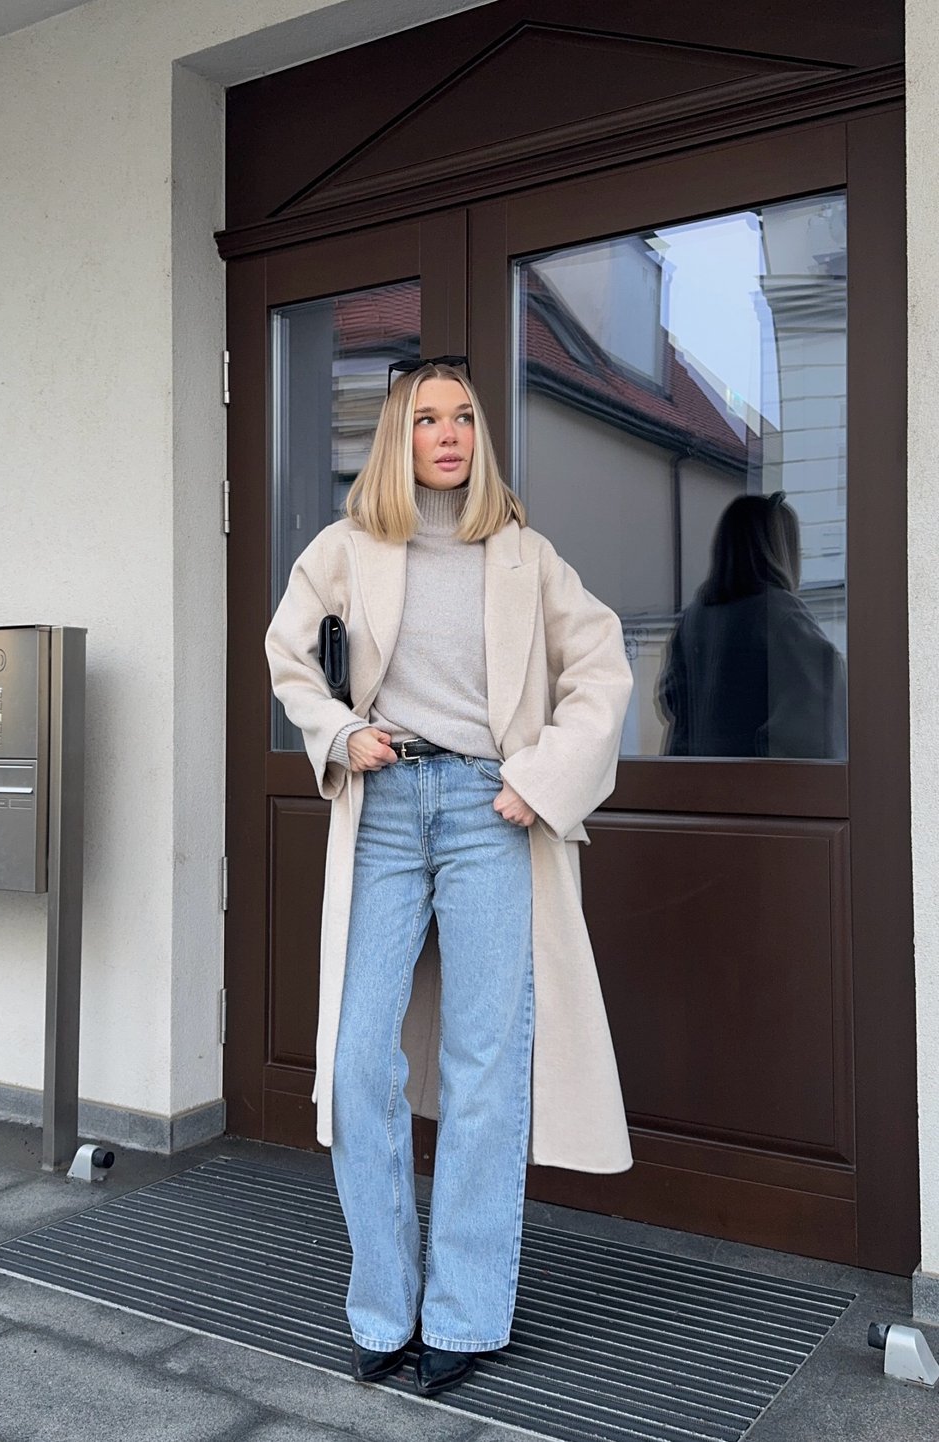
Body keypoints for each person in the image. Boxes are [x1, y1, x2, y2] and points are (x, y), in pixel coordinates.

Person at [265, 359, 633, 1398]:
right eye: (426, 417)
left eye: (462, 415)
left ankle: (465, 1313)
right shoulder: (346, 548)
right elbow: (286, 652)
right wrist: (340, 731)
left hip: (487, 811)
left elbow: (603, 664)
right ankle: (382, 1304)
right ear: (398, 434)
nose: (447, 432)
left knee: (483, 1065)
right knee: (356, 1058)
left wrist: (543, 777)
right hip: (383, 807)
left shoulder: (523, 554)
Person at [659, 492, 846, 759]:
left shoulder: (694, 618)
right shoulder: (779, 614)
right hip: (757, 790)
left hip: (697, 784)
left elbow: (672, 701)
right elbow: (818, 705)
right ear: (781, 552)